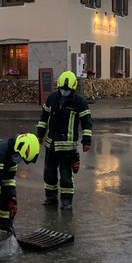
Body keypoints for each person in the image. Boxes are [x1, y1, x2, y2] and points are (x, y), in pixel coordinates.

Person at [37, 71, 93, 210]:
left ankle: (66, 201)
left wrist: (87, 141)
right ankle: (51, 198)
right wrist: (40, 134)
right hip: (51, 145)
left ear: (73, 89)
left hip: (68, 148)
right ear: (58, 87)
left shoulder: (79, 102)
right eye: (62, 89)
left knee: (66, 177)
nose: (65, 92)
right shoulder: (51, 99)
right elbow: (44, 117)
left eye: (67, 90)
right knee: (49, 173)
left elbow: (86, 122)